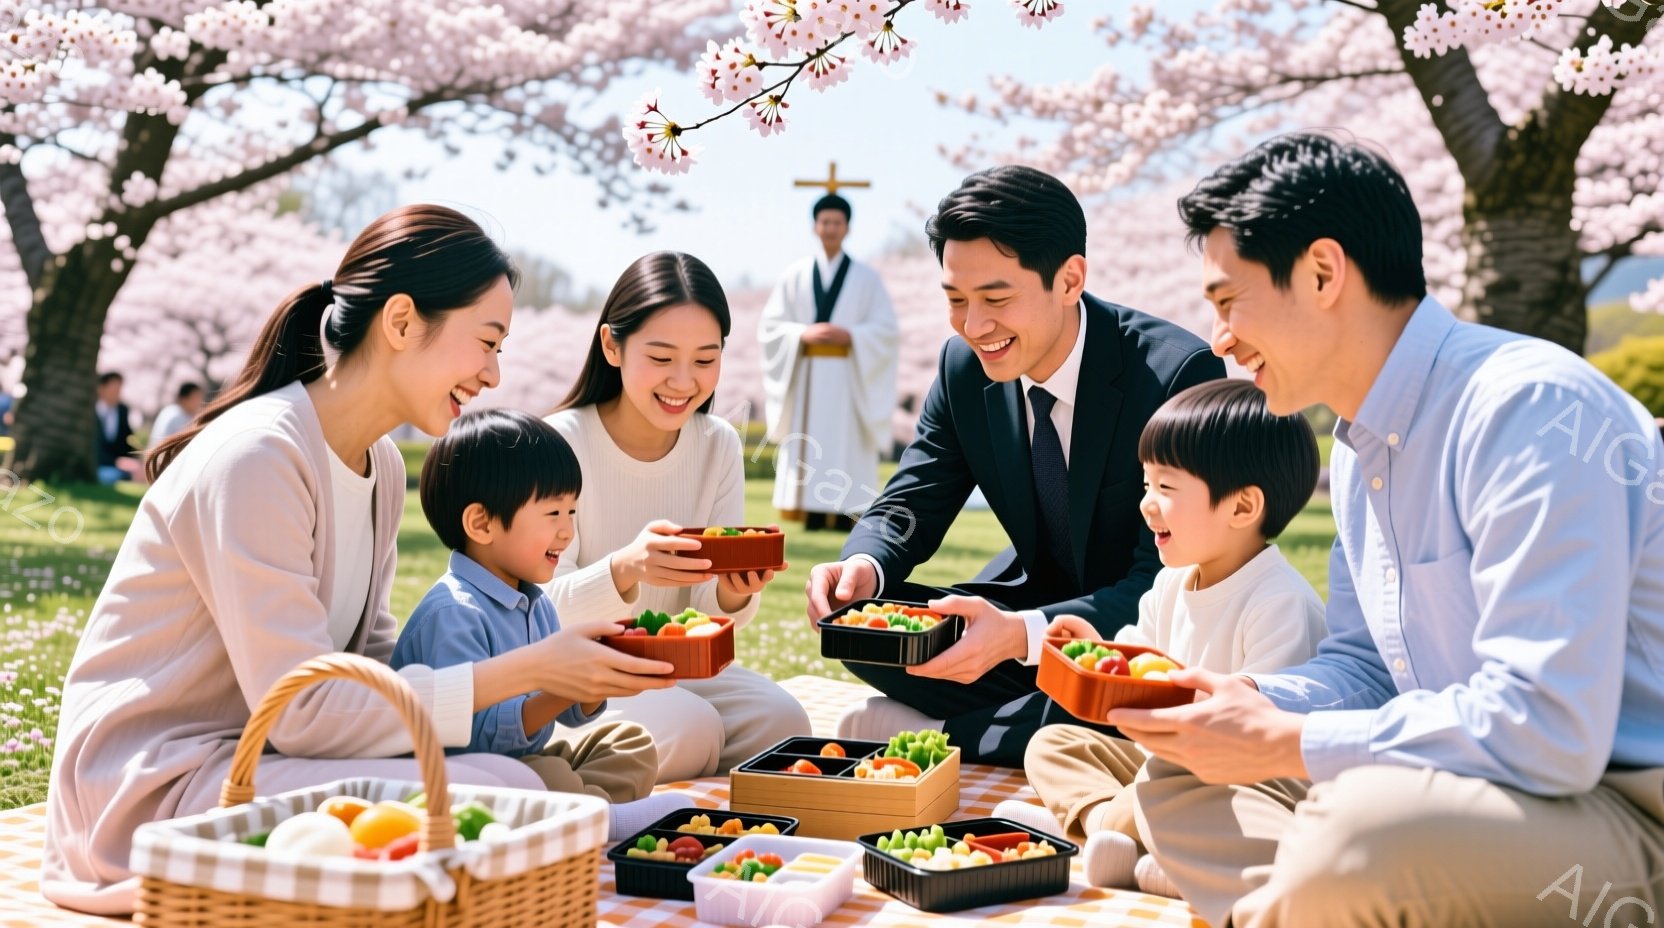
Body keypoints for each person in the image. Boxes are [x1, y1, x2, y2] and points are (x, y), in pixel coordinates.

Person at [43, 205, 678, 916]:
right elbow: (304, 711)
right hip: (163, 790)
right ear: (402, 322)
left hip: (272, 761)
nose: (495, 374)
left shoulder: (380, 464)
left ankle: (575, 818)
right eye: (488, 342)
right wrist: (530, 668)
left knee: (500, 775)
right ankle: (587, 827)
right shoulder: (260, 456)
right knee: (512, 786)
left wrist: (541, 684)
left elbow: (368, 658)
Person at [1112, 133, 1664, 927]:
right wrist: (1248, 700)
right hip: (1463, 786)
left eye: (1228, 302)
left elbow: (1547, 729)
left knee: (1364, 831)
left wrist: (1287, 743)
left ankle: (1311, 893)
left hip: (1620, 809)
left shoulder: (1527, 409)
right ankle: (1302, 904)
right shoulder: (1363, 444)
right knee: (1182, 769)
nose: (1221, 339)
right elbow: (1369, 666)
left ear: (1324, 272)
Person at [805, 165, 1226, 766]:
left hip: (1137, 633)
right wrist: (862, 567)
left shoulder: (1177, 376)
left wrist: (1027, 635)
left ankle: (953, 736)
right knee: (866, 628)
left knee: (1142, 691)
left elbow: (1169, 582)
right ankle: (1032, 729)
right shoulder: (962, 367)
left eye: (996, 299)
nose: (975, 327)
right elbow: (911, 501)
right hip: (1022, 619)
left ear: (1070, 280)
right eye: (956, 300)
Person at [989, 378, 1326, 893]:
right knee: (1051, 743)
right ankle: (1121, 834)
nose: (1147, 505)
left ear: (1242, 508)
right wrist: (1093, 653)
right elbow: (1136, 663)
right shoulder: (1170, 582)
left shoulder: (1280, 602)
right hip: (1166, 766)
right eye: (1146, 485)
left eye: (1166, 488)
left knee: (1175, 779)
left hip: (1241, 781)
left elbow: (1263, 745)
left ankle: (1097, 829)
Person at [545, 251, 811, 782]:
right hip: (580, 673)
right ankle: (558, 763)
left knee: (785, 723)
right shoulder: (559, 443)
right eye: (662, 358)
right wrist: (625, 568)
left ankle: (634, 769)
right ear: (611, 346)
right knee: (691, 728)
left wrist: (737, 589)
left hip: (680, 666)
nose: (684, 382)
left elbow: (712, 611)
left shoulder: (718, 445)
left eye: (705, 359)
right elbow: (539, 610)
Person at [393, 409, 691, 835]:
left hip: (525, 763)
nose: (568, 532)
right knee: (547, 777)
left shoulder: (535, 602)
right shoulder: (454, 613)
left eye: (572, 512)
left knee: (630, 743)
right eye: (553, 514)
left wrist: (596, 683)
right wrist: (562, 686)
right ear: (482, 523)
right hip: (462, 776)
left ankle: (581, 812)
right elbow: (473, 740)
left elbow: (570, 717)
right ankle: (595, 817)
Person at [759, 193, 899, 532]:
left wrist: (851, 335)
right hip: (805, 373)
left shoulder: (867, 278)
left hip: (849, 375)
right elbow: (770, 327)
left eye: (837, 222)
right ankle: (811, 511)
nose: (831, 228)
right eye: (825, 222)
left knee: (846, 441)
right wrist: (801, 335)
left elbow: (887, 330)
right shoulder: (795, 275)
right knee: (811, 443)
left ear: (847, 228)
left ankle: (846, 512)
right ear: (815, 226)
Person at [93, 371, 139, 485]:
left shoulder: (122, 410)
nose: (117, 393)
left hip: (120, 466)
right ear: (101, 389)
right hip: (97, 464)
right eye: (114, 389)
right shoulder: (90, 411)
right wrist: (116, 462)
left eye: (119, 389)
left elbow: (127, 439)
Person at [146, 382, 205, 450]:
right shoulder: (177, 416)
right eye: (196, 398)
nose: (200, 402)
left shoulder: (171, 410)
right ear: (184, 398)